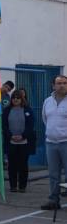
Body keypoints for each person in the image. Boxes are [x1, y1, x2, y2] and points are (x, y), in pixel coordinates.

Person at [41, 74, 67, 210]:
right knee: (53, 174)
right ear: (53, 86)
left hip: (66, 142)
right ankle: (53, 200)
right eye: (59, 83)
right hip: (51, 143)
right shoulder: (47, 101)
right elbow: (45, 119)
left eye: (64, 83)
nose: (62, 86)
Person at [2, 90, 36, 193]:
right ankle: (13, 186)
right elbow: (4, 125)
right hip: (11, 141)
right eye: (14, 97)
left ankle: (22, 186)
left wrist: (23, 136)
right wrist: (11, 136)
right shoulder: (7, 110)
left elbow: (30, 125)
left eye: (18, 98)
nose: (15, 99)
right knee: (12, 165)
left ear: (22, 99)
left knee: (23, 165)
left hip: (24, 142)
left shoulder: (28, 110)